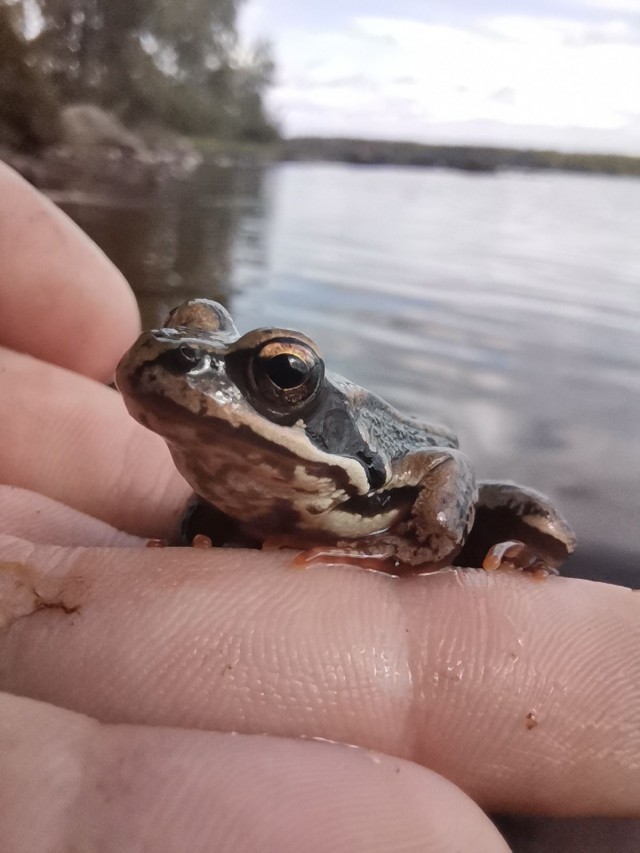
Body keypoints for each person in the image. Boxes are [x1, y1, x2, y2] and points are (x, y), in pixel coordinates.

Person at [0, 161, 638, 853]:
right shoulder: (215, 453)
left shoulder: (371, 469)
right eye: (186, 332)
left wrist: (415, 546)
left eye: (279, 372)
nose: (188, 357)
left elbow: (444, 465)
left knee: (539, 522)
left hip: (398, 481)